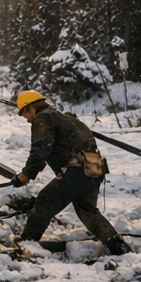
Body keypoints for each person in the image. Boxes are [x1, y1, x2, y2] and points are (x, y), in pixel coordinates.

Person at [13, 90, 129, 257]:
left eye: (24, 113)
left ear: (31, 108)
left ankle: (27, 244)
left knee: (45, 201)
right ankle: (118, 246)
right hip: (94, 168)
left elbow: (40, 150)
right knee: (87, 211)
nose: (25, 118)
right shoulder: (64, 118)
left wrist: (26, 175)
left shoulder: (42, 119)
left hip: (76, 171)